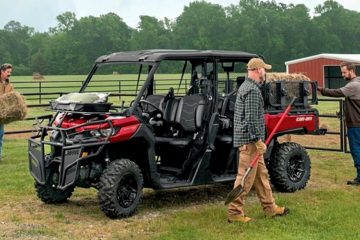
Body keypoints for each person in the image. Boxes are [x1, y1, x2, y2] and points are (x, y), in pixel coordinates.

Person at [228, 58, 289, 223]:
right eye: (264, 69)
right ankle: (234, 212)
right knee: (245, 178)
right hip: (250, 143)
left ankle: (270, 208)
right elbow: (251, 119)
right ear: (257, 70)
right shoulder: (252, 91)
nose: (265, 72)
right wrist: (258, 141)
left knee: (262, 176)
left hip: (251, 142)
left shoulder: (247, 87)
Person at [317, 62, 360, 185]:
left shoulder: (354, 85)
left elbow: (337, 92)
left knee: (356, 151)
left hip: (356, 125)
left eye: (344, 72)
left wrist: (320, 89)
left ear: (351, 71)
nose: (342, 75)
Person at [0, 63, 14, 161]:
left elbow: (12, 97)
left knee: (0, 135)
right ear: (2, 72)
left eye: (10, 72)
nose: (9, 74)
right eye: (7, 72)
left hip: (2, 115)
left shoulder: (9, 85)